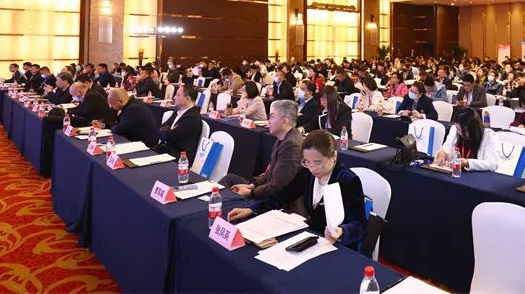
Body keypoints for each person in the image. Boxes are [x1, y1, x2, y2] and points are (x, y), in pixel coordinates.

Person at [228, 130, 367, 249]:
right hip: (313, 238)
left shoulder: (347, 180)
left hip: (338, 244)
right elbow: (283, 195)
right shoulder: (306, 172)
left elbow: (360, 225)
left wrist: (342, 232)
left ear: (334, 156)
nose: (312, 168)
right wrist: (252, 208)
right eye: (307, 161)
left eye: (318, 162)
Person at [221, 99, 303, 199]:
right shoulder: (283, 139)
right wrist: (251, 186)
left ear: (285, 121)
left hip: (277, 200)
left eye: (272, 116)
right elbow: (268, 174)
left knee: (228, 187)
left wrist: (250, 192)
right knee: (229, 179)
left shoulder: (291, 145)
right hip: (268, 189)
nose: (268, 121)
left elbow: (276, 186)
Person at [434, 107, 499, 171]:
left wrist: (467, 162)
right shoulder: (454, 130)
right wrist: (441, 154)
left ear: (474, 129)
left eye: (464, 130)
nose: (460, 132)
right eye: (458, 128)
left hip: (477, 175)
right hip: (455, 172)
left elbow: (493, 164)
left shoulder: (489, 136)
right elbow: (445, 149)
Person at [155, 84, 203, 160]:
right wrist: (166, 130)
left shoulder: (192, 118)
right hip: (166, 150)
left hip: (178, 157)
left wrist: (166, 130)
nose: (174, 97)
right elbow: (160, 129)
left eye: (178, 95)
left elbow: (169, 136)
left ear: (187, 98)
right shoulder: (179, 111)